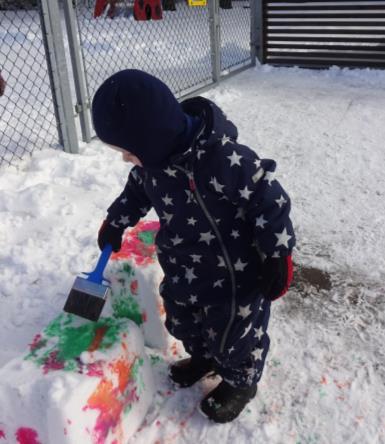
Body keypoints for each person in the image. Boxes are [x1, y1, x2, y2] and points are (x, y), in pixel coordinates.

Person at [92, 69, 295, 423]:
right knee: (184, 321)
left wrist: (278, 253)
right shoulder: (151, 165)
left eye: (127, 150)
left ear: (151, 136)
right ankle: (204, 358)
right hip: (184, 265)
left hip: (236, 276)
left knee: (235, 336)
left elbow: (269, 198)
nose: (126, 158)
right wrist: (116, 222)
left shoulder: (224, 159)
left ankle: (240, 381)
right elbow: (135, 194)